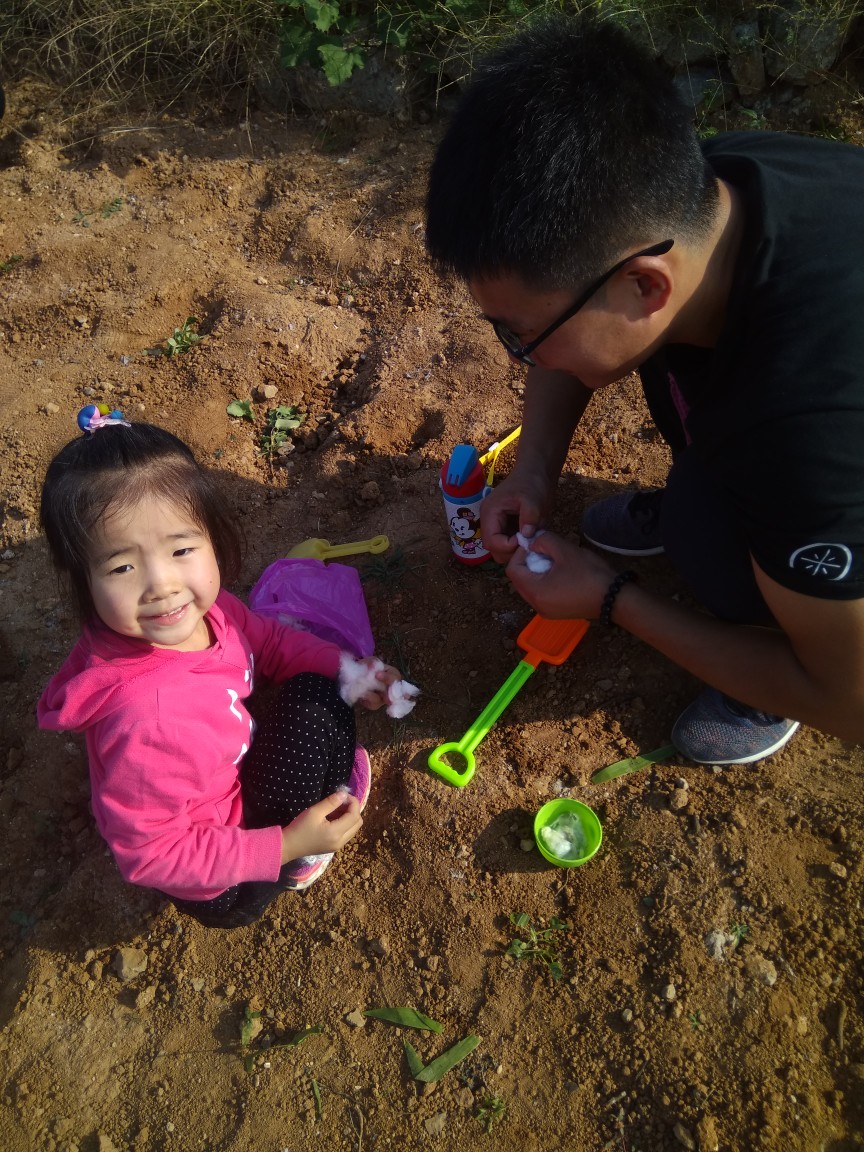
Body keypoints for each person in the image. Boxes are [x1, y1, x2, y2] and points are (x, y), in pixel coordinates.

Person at [425, 15, 864, 765]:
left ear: (645, 285)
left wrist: (610, 598)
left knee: (712, 545)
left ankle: (764, 671)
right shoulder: (706, 191)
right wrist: (533, 472)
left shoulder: (805, 429)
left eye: (521, 334)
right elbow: (566, 329)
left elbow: (851, 702)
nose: (522, 356)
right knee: (698, 505)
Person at [37, 407, 401, 928]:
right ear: (83, 579)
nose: (162, 585)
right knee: (323, 712)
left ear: (212, 536)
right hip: (225, 880)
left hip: (222, 782)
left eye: (181, 549)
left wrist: (348, 669)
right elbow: (151, 855)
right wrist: (287, 844)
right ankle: (299, 865)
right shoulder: (148, 721)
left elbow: (268, 640)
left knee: (324, 687)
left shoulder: (209, 611)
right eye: (122, 566)